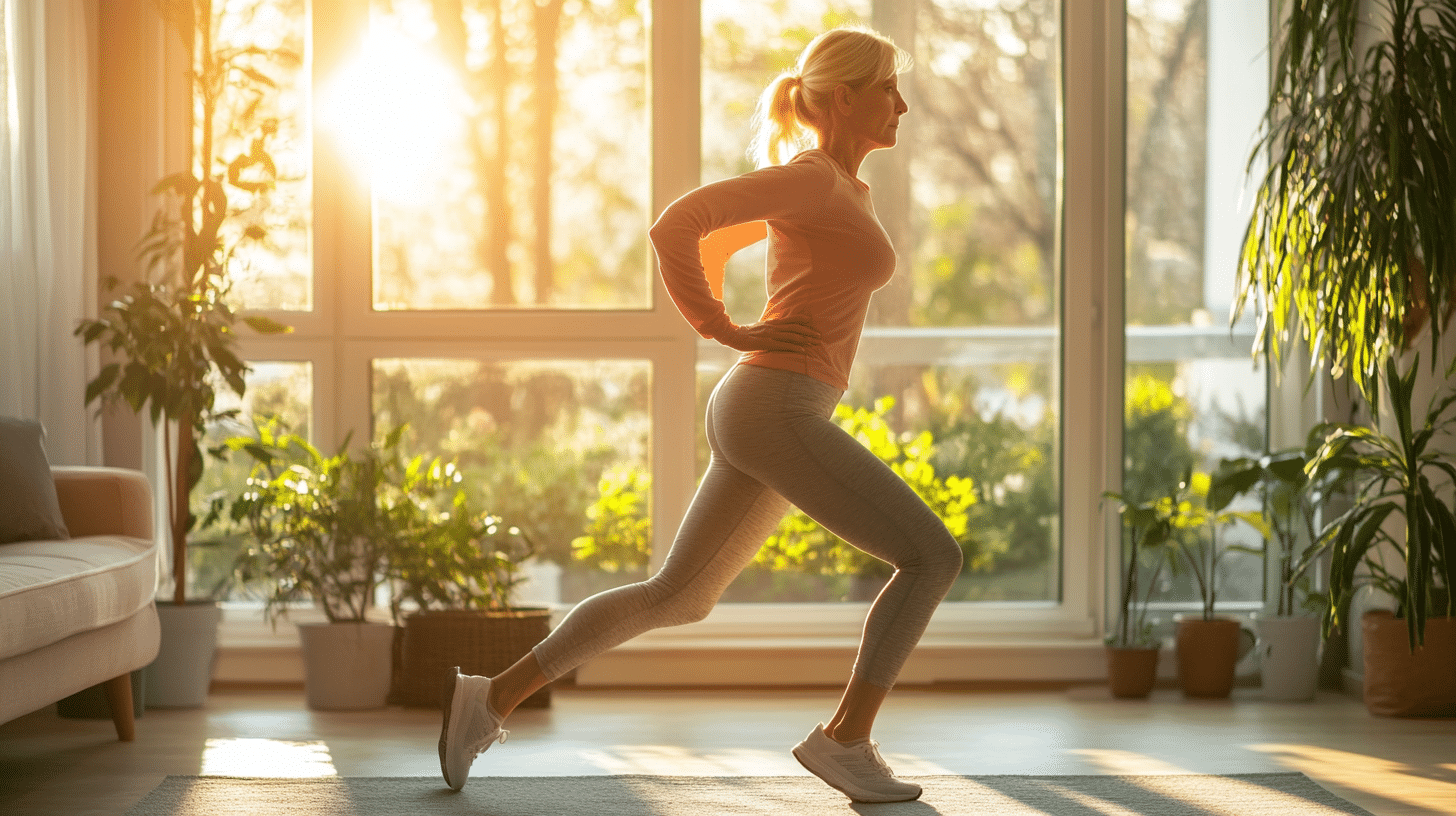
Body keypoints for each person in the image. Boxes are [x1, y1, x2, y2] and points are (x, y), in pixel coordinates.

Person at [437, 24, 962, 804]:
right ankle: (846, 740)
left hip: (771, 408)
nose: (903, 105)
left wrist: (745, 324)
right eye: (889, 87)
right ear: (845, 98)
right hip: (777, 407)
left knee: (677, 596)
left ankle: (490, 698)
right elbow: (678, 226)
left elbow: (722, 246)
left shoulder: (842, 189)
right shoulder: (810, 179)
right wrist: (722, 326)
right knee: (930, 557)